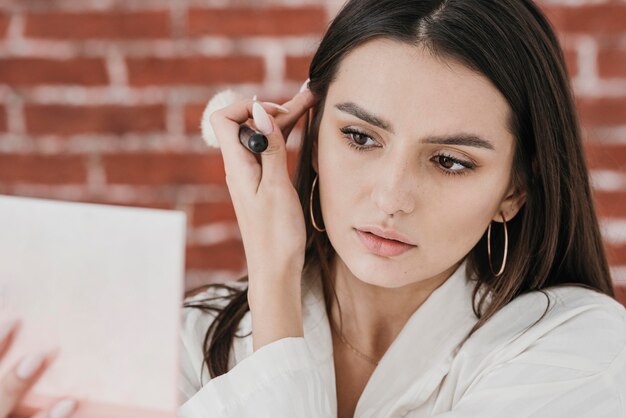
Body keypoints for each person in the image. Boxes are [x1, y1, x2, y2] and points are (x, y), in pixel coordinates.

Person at [178, 0, 626, 417]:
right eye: (360, 137)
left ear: (514, 190)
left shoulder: (581, 348)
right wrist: (273, 275)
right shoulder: (188, 336)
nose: (391, 198)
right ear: (313, 140)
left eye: (450, 161)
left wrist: (274, 284)